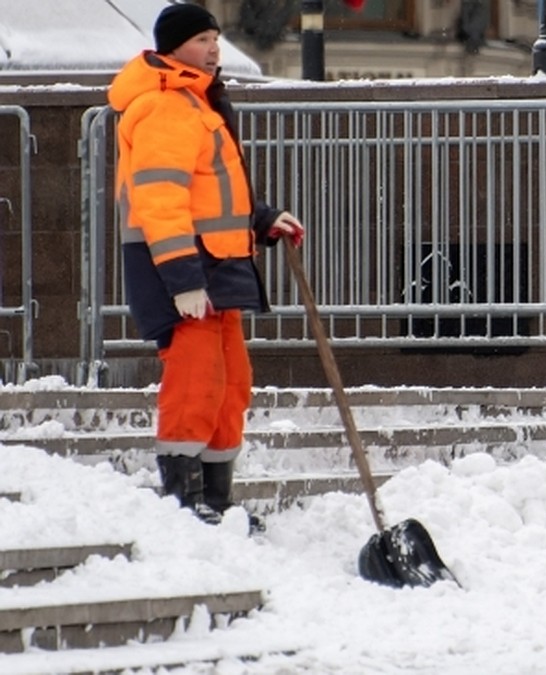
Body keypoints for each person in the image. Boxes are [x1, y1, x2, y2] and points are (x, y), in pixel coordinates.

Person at [108, 3, 305, 526]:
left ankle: (217, 500)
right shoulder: (165, 106)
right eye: (201, 40)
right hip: (187, 274)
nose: (214, 48)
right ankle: (183, 502)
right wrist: (182, 280)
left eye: (216, 38)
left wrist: (262, 219)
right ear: (172, 49)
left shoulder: (197, 103)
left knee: (229, 383)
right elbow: (160, 200)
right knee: (196, 384)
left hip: (217, 269)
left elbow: (208, 192)